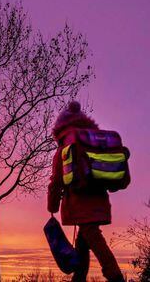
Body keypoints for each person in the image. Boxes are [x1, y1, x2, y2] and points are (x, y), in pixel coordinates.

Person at [47, 101, 126, 282]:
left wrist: (52, 206)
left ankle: (116, 277)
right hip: (100, 200)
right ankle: (79, 279)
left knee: (94, 239)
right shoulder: (97, 142)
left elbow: (56, 182)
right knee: (82, 244)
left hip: (79, 204)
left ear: (60, 127)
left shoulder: (64, 148)